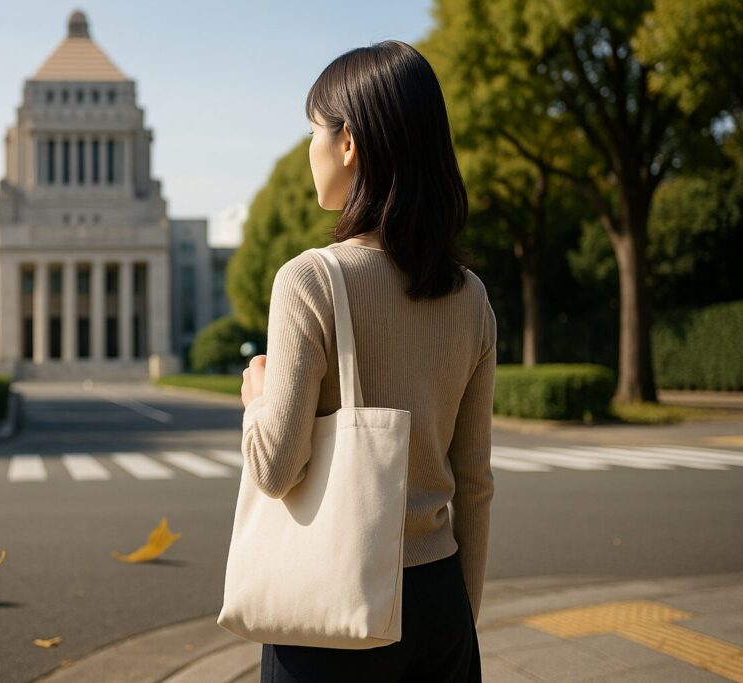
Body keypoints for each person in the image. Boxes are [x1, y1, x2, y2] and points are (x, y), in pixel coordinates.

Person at [239, 39, 496, 682]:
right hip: (440, 602)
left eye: (313, 132)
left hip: (340, 602)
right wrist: (460, 612)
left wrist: (257, 400)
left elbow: (276, 468)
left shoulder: (311, 281)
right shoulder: (471, 297)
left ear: (348, 141)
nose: (309, 152)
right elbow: (475, 479)